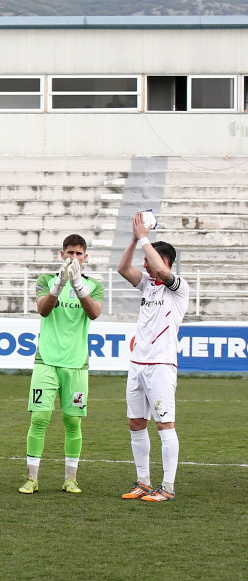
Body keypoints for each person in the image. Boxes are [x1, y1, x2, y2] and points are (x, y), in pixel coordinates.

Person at [20, 234, 103, 494]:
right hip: (46, 361)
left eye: (79, 254)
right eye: (69, 253)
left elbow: (94, 312)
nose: (73, 258)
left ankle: (71, 479)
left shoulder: (94, 285)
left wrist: (78, 285)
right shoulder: (46, 280)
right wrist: (59, 284)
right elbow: (43, 310)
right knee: (40, 418)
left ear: (86, 257)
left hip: (76, 364)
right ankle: (32, 478)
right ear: (61, 254)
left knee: (73, 421)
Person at [117, 212, 189, 502]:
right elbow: (123, 268)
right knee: (136, 423)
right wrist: (135, 240)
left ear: (165, 261)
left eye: (148, 260)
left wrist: (145, 237)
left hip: (161, 365)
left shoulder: (178, 287)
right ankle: (143, 481)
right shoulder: (147, 284)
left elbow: (159, 270)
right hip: (138, 364)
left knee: (164, 424)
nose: (144, 265)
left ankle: (168, 487)